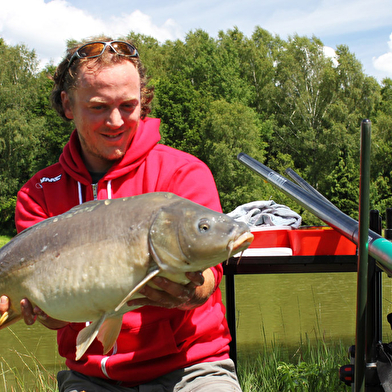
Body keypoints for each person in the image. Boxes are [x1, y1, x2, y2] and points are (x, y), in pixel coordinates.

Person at [0, 37, 242, 391]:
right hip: (91, 377)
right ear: (68, 104)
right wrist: (39, 311)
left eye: (128, 106)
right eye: (98, 107)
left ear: (143, 101)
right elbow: (54, 317)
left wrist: (191, 291)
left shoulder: (183, 173)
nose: (115, 121)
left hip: (192, 367)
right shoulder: (39, 193)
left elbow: (209, 276)